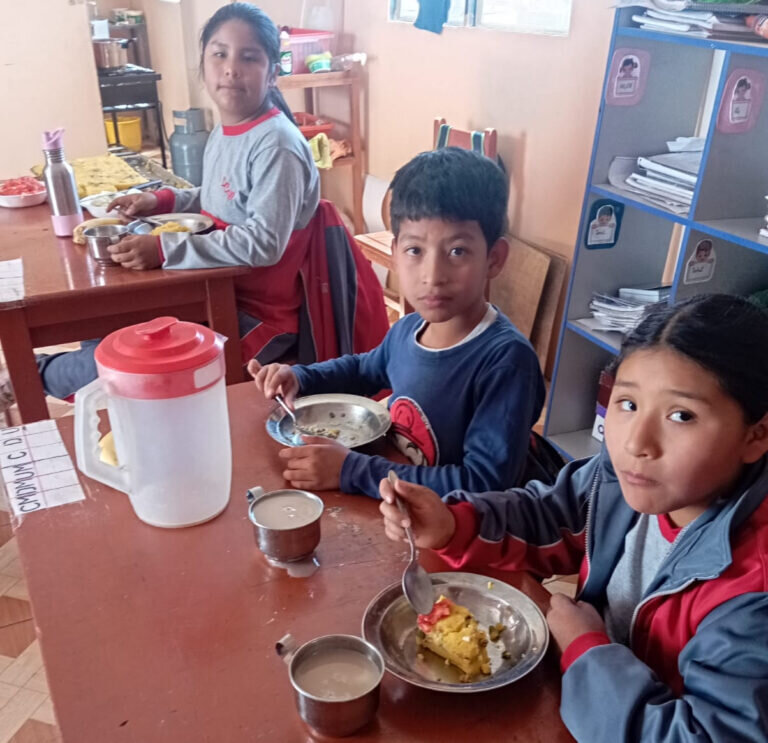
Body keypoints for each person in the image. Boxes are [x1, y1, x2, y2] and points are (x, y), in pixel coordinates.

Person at [379, 294, 768, 742]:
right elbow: (549, 515)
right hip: (586, 699)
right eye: (628, 404)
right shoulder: (621, 479)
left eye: (681, 415)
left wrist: (586, 649)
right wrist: (453, 524)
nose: (636, 443)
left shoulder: (751, 593)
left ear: (756, 436)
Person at [29, 2, 387, 401]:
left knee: (125, 365)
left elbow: (263, 243)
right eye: (220, 54)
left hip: (254, 319)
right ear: (203, 65)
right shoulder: (227, 131)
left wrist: (163, 249)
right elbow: (222, 197)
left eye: (248, 57)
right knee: (107, 324)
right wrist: (160, 200)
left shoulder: (276, 145)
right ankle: (46, 377)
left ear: (272, 73)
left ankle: (30, 377)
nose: (231, 68)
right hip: (208, 291)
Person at [252, 147, 546, 499]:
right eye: (415, 250)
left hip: (457, 526)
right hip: (397, 502)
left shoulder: (506, 362)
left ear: (494, 259)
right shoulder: (408, 330)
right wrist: (301, 377)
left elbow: (483, 486)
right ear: (395, 253)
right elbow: (362, 369)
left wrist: (351, 470)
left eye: (457, 251)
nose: (433, 276)